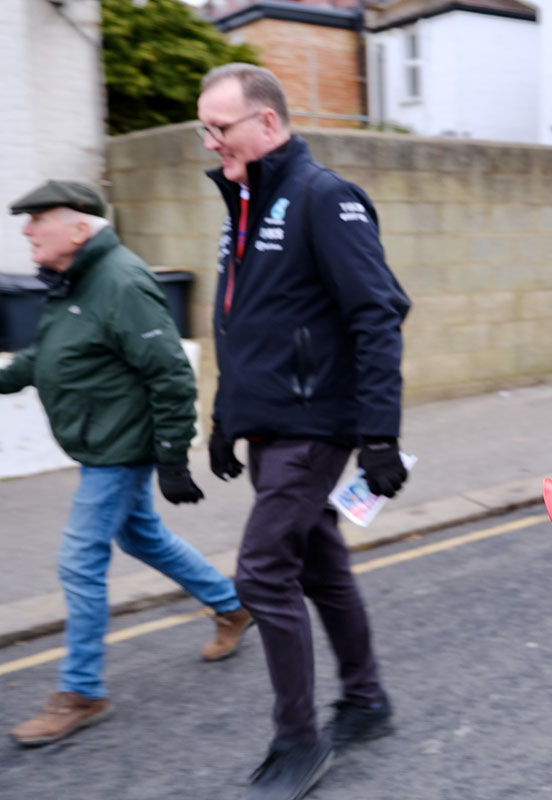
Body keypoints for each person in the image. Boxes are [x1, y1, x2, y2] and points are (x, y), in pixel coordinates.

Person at [197, 64, 411, 800]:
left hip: (315, 426)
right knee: (319, 565)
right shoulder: (246, 206)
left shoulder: (325, 198)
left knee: (261, 571)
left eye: (220, 127)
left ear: (266, 123)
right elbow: (243, 328)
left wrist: (379, 434)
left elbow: (376, 313)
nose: (211, 140)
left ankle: (298, 742)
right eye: (206, 127)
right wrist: (225, 421)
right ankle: (366, 699)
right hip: (269, 428)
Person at [1, 180, 253, 748]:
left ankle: (82, 691)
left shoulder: (120, 282)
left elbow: (170, 374)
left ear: (79, 227)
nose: (26, 230)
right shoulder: (77, 281)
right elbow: (47, 354)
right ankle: (232, 605)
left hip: (120, 449)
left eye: (38, 219)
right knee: (142, 539)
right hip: (101, 442)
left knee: (79, 560)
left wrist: (172, 459)